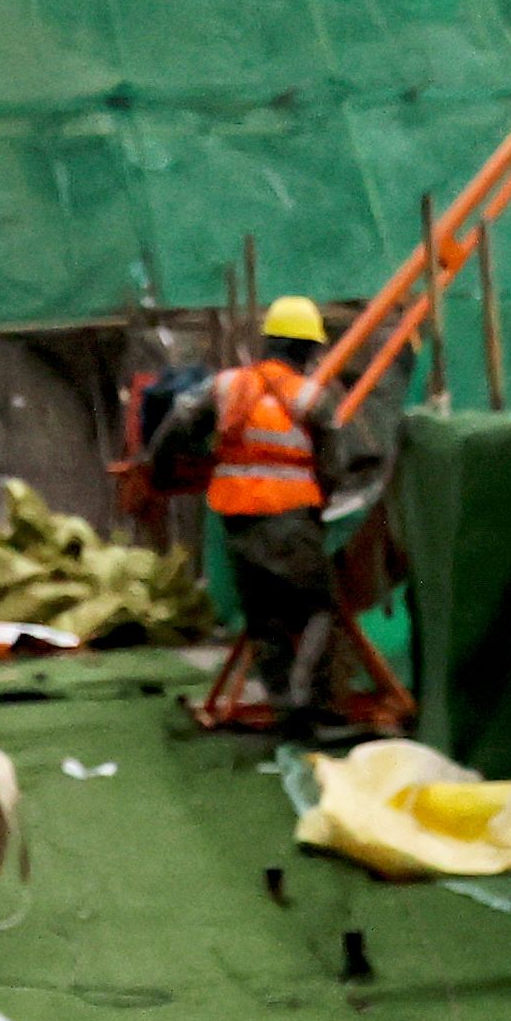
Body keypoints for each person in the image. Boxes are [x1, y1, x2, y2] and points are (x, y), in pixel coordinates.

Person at [151, 294, 350, 723]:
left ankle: (283, 708)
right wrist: (324, 500)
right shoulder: (311, 397)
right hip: (292, 517)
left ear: (269, 343)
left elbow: (179, 422)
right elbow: (336, 462)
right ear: (305, 349)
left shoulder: (227, 386)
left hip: (238, 520)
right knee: (318, 608)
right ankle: (304, 700)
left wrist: (162, 468)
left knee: (263, 619)